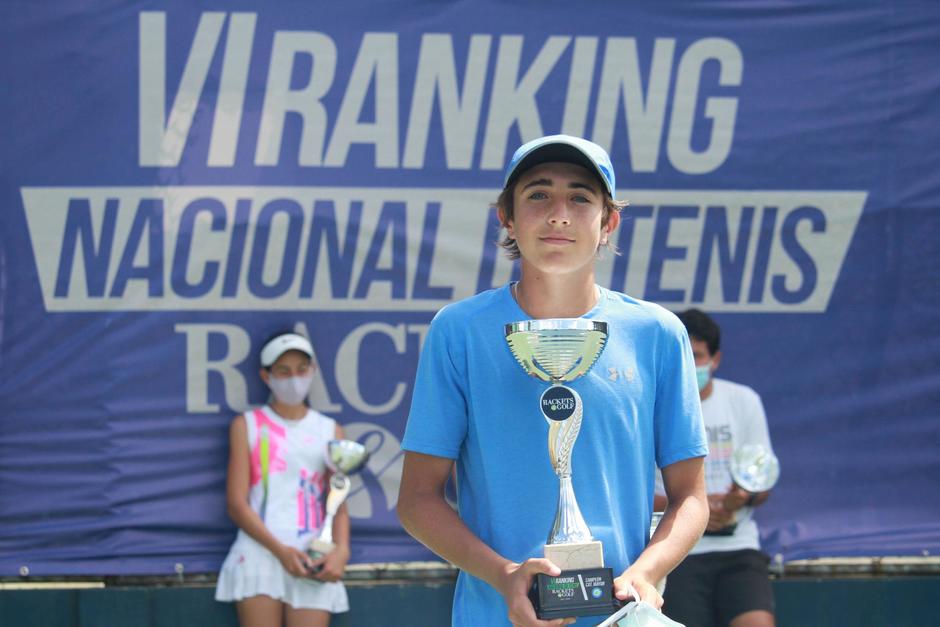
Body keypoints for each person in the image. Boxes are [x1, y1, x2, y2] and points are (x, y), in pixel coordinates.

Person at [397, 134, 710, 627]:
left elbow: (691, 498)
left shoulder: (658, 333)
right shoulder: (458, 331)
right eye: (538, 194)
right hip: (495, 616)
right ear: (507, 216)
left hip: (621, 617)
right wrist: (505, 576)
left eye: (580, 197)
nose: (559, 213)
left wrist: (646, 573)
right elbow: (417, 500)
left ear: (609, 222)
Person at [215, 331, 350, 627]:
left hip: (314, 556)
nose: (294, 378)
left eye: (302, 370)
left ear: (312, 371)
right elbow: (237, 504)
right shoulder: (246, 425)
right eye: (283, 371)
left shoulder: (330, 430)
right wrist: (281, 552)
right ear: (266, 376)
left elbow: (337, 499)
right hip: (258, 555)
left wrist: (341, 550)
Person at [655, 309, 777, 627]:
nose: (689, 363)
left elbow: (761, 481)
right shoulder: (653, 404)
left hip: (738, 549)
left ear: (715, 359)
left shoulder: (744, 400)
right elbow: (637, 492)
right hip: (676, 551)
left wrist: (742, 497)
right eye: (682, 353)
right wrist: (696, 511)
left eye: (697, 355)